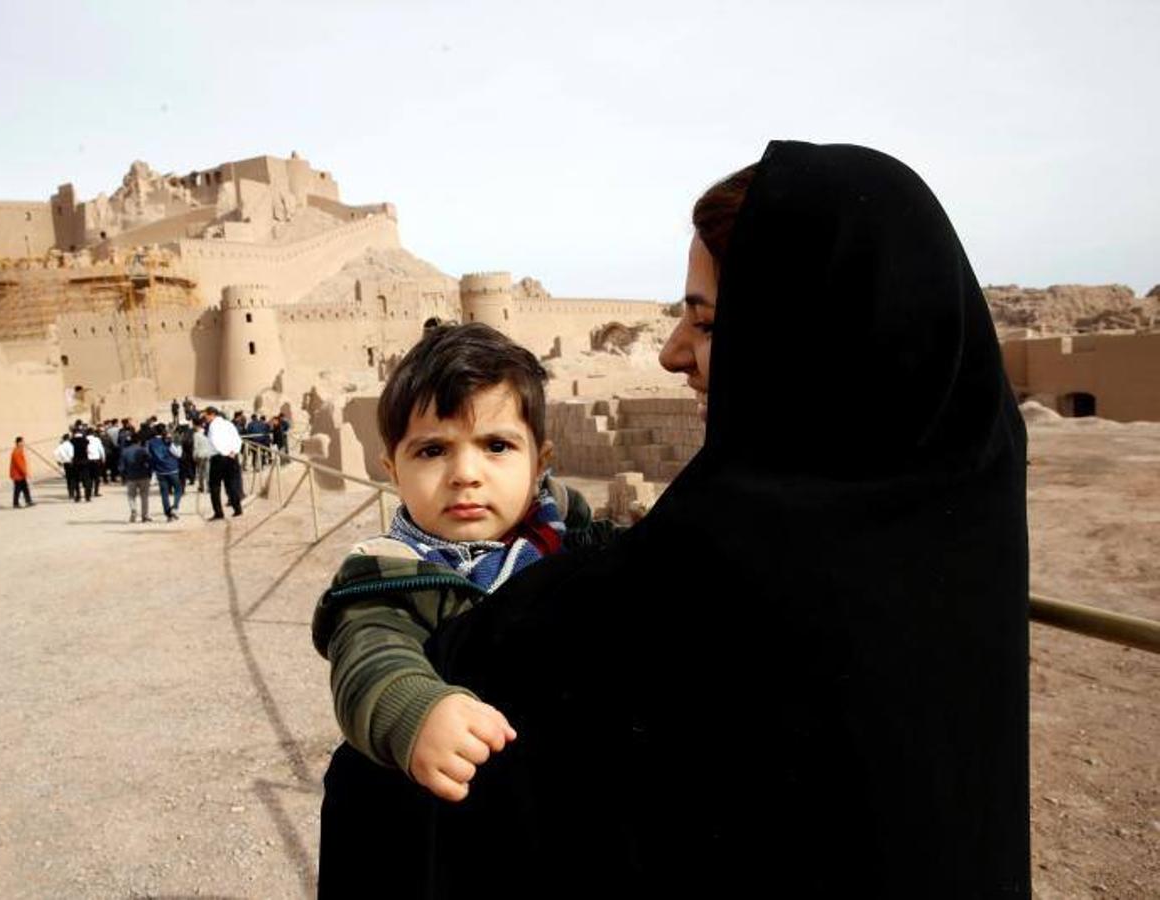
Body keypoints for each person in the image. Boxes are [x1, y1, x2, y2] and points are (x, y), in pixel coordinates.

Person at [317, 141, 1030, 898]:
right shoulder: (953, 533)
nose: (669, 354)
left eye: (711, 323)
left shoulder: (705, 574)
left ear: (803, 331)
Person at [312, 324, 619, 806]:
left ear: (540, 463)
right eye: (433, 451)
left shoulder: (570, 534)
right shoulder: (389, 576)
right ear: (392, 471)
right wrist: (416, 709)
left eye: (496, 446)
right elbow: (367, 658)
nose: (465, 476)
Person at [202, 406, 244, 519]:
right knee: (231, 484)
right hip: (232, 457)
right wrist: (234, 452)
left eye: (205, 415)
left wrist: (224, 452)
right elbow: (238, 439)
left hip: (219, 458)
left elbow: (215, 442)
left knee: (215, 486)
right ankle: (237, 509)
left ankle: (218, 513)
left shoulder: (213, 426)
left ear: (212, 414)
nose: (204, 417)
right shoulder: (229, 424)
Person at [147, 423, 184, 521]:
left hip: (160, 470)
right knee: (178, 489)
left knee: (164, 493)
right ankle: (175, 507)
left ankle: (168, 514)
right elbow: (179, 454)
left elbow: (149, 456)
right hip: (172, 468)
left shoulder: (151, 442)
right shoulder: (172, 438)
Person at [118, 429, 154, 523]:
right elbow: (150, 462)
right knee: (144, 496)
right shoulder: (143, 450)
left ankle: (133, 510)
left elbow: (121, 467)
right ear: (138, 441)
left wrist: (124, 476)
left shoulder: (125, 451)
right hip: (143, 475)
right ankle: (144, 515)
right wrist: (150, 473)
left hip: (131, 476)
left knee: (131, 496)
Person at [8, 436, 33, 508]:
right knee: (18, 489)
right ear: (18, 443)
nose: (23, 443)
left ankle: (28, 501)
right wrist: (26, 472)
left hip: (20, 474)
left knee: (25, 488)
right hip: (17, 474)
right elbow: (19, 464)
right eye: (22, 442)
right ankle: (16, 503)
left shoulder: (19, 450)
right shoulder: (16, 452)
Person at [192, 422, 214, 493]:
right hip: (207, 454)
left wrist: (194, 455)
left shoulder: (196, 435)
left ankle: (201, 487)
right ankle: (209, 487)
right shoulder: (207, 432)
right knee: (208, 472)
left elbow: (195, 446)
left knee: (200, 472)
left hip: (200, 455)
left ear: (197, 426)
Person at [53, 433, 75, 500]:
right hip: (71, 463)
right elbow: (72, 454)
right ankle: (73, 493)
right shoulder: (70, 445)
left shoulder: (60, 446)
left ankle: (70, 494)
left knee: (68, 479)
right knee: (73, 479)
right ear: (68, 438)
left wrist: (58, 461)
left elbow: (55, 453)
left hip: (65, 463)